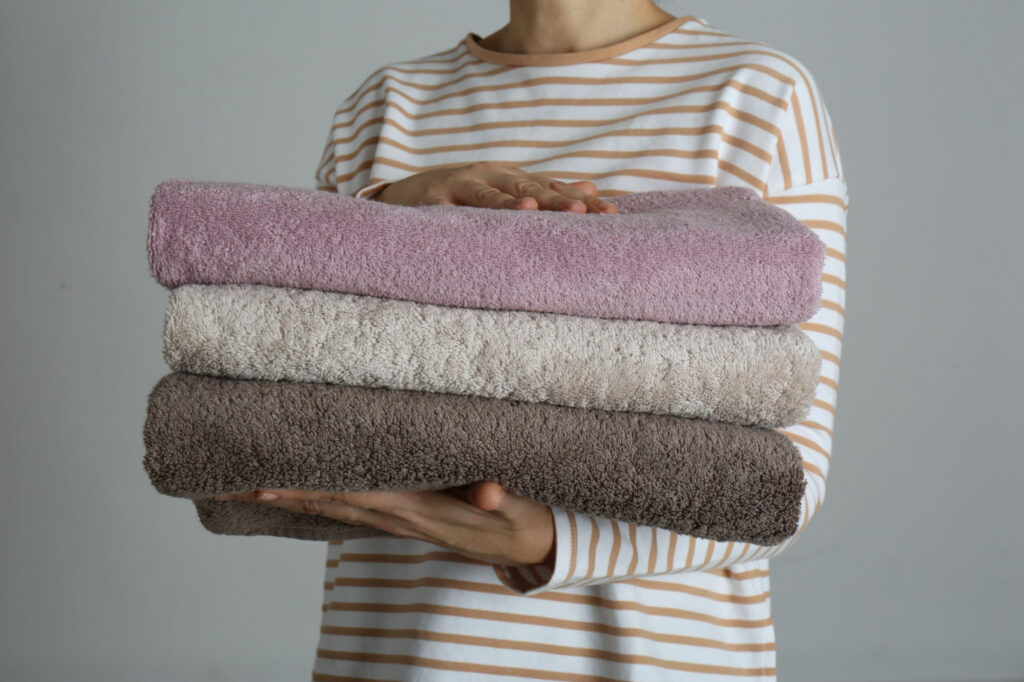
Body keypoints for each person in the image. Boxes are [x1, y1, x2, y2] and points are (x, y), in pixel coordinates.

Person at [219, 1, 848, 678]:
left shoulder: (757, 94)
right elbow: (291, 370)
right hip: (397, 656)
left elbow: (784, 484)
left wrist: (549, 541)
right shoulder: (385, 106)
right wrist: (378, 218)